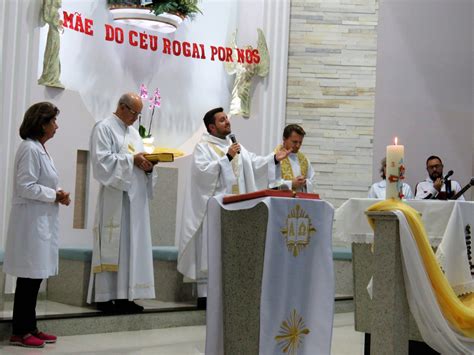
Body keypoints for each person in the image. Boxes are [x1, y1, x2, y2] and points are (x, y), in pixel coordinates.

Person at [177, 107, 290, 305]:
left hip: (237, 207)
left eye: (227, 119)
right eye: (222, 120)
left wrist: (273, 159)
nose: (227, 122)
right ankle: (206, 295)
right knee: (212, 249)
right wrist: (226, 158)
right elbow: (202, 174)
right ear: (211, 127)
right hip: (215, 210)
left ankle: (229, 293)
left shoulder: (235, 145)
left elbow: (254, 164)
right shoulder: (204, 147)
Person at [3, 102, 70, 348]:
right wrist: (54, 195)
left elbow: (41, 184)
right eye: (53, 121)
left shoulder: (40, 149)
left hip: (40, 221)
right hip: (30, 223)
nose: (57, 126)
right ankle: (19, 331)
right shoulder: (29, 149)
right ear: (41, 123)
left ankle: (30, 326)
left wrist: (58, 193)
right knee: (29, 279)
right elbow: (25, 186)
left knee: (35, 277)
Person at [87, 93, 157, 313]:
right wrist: (131, 160)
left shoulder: (134, 134)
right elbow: (101, 162)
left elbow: (140, 160)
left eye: (139, 114)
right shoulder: (104, 128)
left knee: (130, 247)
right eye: (134, 112)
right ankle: (106, 297)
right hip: (114, 199)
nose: (136, 118)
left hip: (134, 200)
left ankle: (126, 296)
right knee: (112, 246)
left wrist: (148, 167)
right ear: (122, 107)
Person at [273, 124, 316, 192]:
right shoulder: (275, 158)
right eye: (294, 142)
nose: (298, 146)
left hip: (300, 201)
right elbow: (271, 183)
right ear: (284, 139)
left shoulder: (304, 160)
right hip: (282, 200)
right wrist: (291, 184)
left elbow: (312, 180)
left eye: (300, 142)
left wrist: (305, 182)